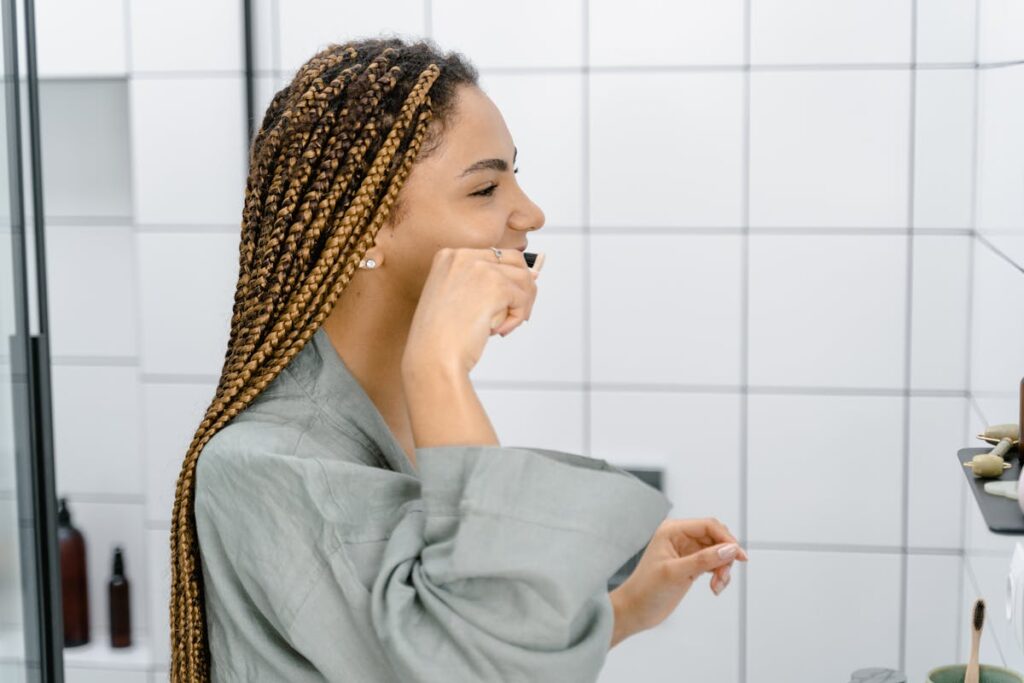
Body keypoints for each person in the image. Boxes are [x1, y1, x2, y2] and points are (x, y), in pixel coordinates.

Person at [168, 37, 747, 682]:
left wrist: (625, 610)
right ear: (367, 227)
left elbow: (433, 646)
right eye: (485, 189)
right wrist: (439, 363)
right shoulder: (262, 468)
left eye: (515, 178)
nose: (530, 213)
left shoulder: (394, 420)